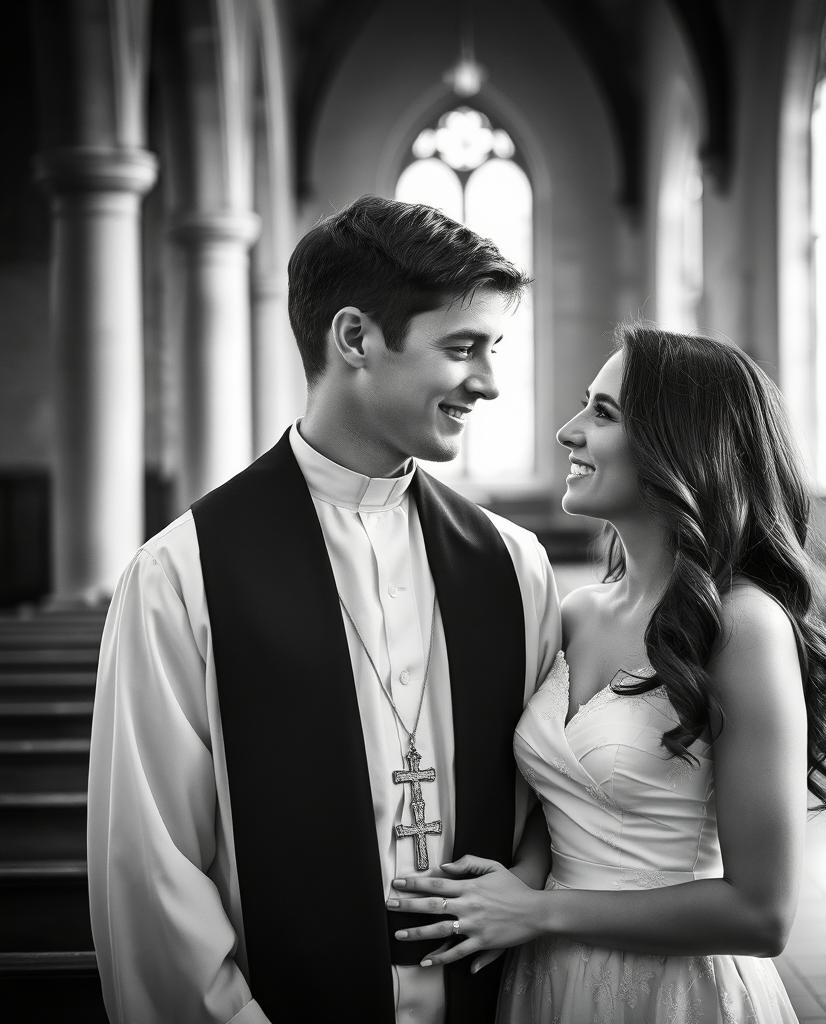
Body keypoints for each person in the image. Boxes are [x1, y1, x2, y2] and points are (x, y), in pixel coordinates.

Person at [87, 195, 561, 1024]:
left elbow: (547, 817)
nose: (486, 381)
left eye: (493, 349)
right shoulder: (181, 573)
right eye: (462, 348)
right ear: (354, 340)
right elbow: (152, 865)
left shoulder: (513, 566)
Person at [388, 325, 826, 1023]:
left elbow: (762, 914)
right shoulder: (578, 613)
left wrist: (542, 911)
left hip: (673, 990)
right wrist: (515, 884)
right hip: (546, 978)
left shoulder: (742, 625)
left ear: (681, 444)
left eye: (603, 413)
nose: (567, 431)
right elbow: (565, 793)